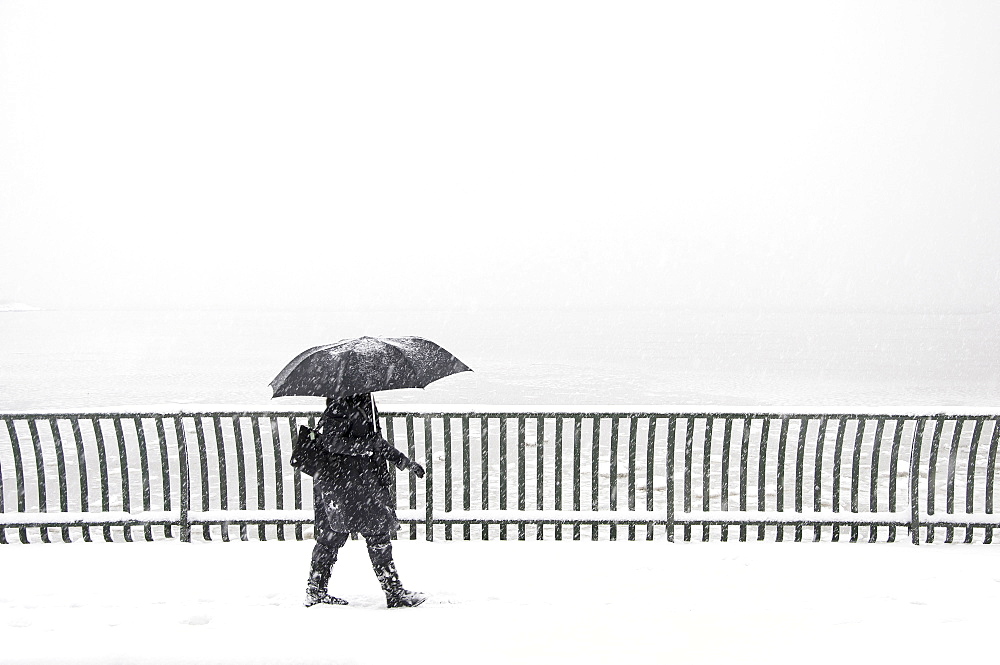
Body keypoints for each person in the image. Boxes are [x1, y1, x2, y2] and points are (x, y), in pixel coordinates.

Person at [305, 392, 427, 609]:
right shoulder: (339, 406)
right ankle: (392, 592)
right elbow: (332, 443)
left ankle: (317, 590)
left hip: (358, 482)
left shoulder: (363, 401)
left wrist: (405, 463)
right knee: (343, 537)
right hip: (345, 484)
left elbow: (377, 442)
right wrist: (366, 446)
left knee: (361, 536)